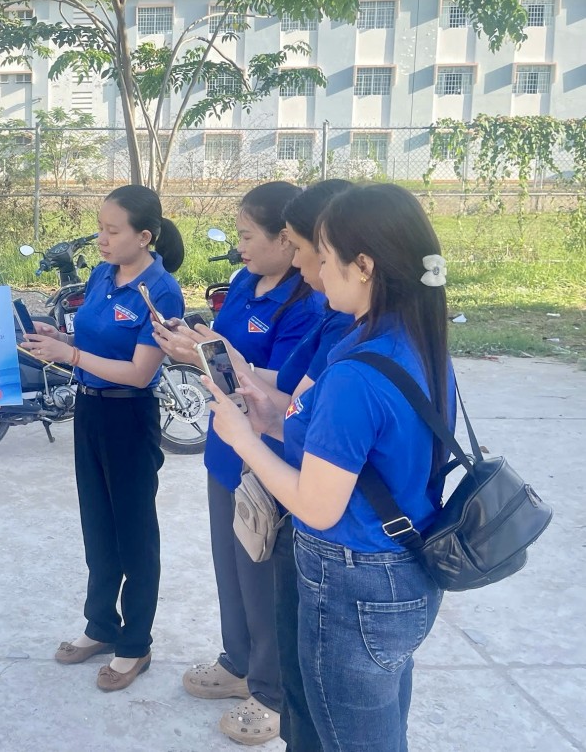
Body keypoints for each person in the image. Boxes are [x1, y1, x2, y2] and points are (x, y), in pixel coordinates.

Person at [202, 184, 453, 752]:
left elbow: (316, 503)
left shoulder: (355, 372)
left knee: (336, 738)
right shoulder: (411, 340)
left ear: (362, 265)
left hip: (350, 580)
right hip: (403, 568)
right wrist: (271, 416)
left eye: (318, 250)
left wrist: (243, 436)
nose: (305, 264)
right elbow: (366, 451)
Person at [156, 179, 355, 751]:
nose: (245, 247)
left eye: (295, 243)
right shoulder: (247, 282)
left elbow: (291, 394)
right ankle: (238, 662)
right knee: (233, 569)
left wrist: (227, 368)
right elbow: (262, 379)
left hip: (269, 456)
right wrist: (204, 351)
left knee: (266, 579)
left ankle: (268, 692)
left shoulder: (320, 308)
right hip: (232, 447)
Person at [20, 185, 185, 692]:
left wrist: (70, 358)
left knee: (134, 533)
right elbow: (89, 343)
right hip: (89, 410)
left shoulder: (160, 291)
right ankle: (102, 627)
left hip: (130, 418)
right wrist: (58, 342)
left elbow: (138, 373)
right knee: (97, 525)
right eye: (100, 228)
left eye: (113, 231)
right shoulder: (99, 275)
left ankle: (136, 643)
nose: (101, 239)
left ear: (145, 236)